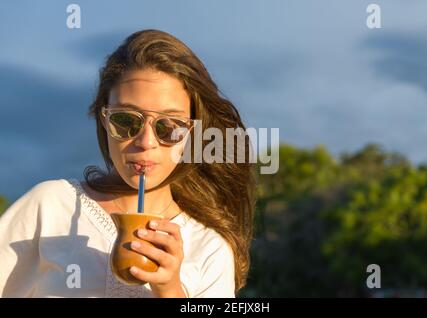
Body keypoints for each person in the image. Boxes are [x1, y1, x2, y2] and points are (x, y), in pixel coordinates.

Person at [0, 29, 256, 298]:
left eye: (169, 126)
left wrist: (169, 290)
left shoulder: (210, 249)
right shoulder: (50, 207)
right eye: (126, 121)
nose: (146, 141)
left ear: (191, 134)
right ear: (103, 119)